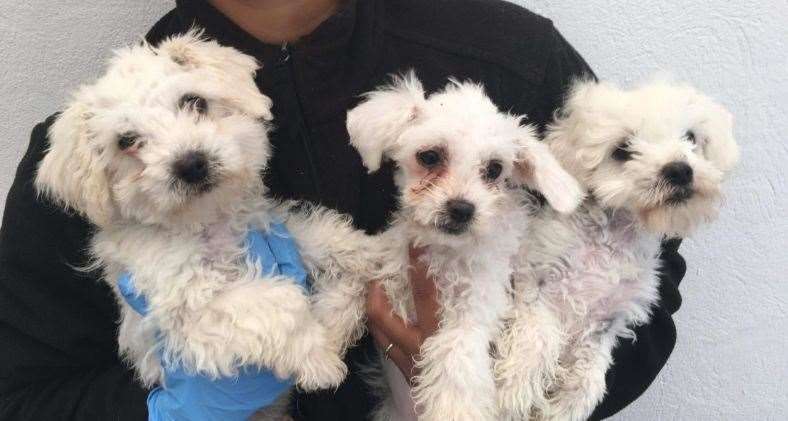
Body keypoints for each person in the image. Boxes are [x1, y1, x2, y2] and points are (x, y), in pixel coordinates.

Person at [0, 0, 687, 419]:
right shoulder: (86, 152)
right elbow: (24, 398)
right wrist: (174, 412)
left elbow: (641, 290)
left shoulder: (515, 61)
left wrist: (505, 394)